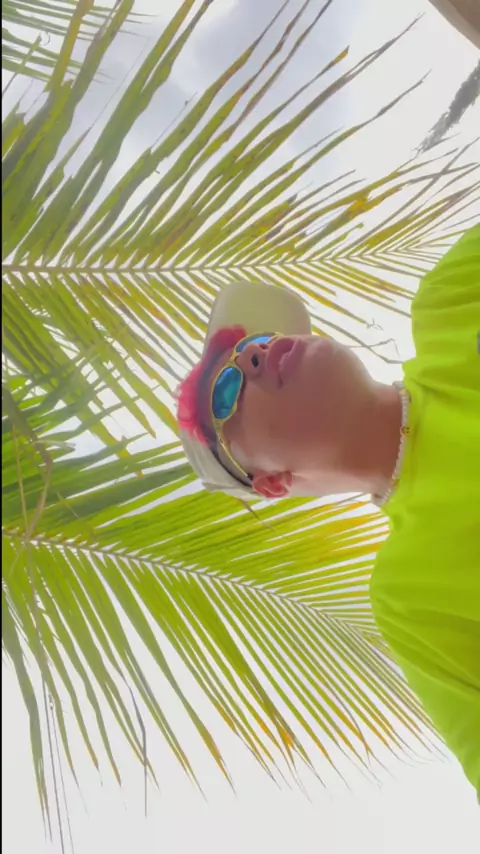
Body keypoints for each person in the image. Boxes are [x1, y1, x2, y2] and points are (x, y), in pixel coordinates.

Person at [176, 224, 480, 799]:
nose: (254, 353)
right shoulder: (411, 599)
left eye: (256, 342)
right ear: (272, 482)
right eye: (228, 391)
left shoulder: (453, 299)